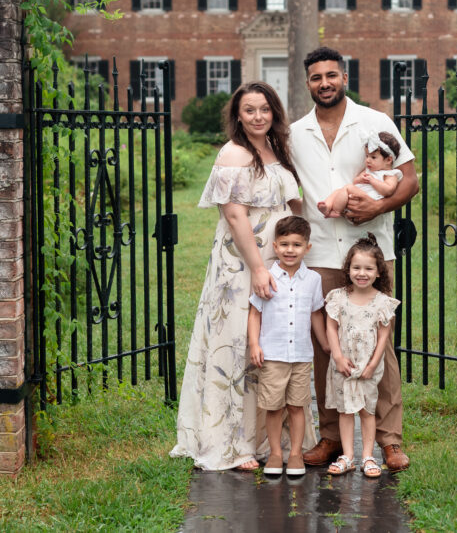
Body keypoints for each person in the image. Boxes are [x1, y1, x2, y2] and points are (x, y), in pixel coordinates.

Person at [171, 82, 316, 470]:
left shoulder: (277, 149)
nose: (258, 117)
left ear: (274, 112)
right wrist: (255, 267)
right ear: (237, 114)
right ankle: (236, 444)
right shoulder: (233, 153)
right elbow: (234, 215)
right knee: (238, 342)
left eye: (265, 109)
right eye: (249, 110)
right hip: (242, 261)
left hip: (280, 256)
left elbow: (291, 199)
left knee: (274, 342)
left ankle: (274, 438)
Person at [289, 46, 419, 473]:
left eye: (331, 75)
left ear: (344, 76)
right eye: (315, 77)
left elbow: (410, 180)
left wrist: (378, 208)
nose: (324, 83)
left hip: (371, 252)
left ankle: (390, 440)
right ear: (307, 83)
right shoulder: (295, 134)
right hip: (321, 254)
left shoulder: (376, 123)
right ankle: (331, 438)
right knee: (327, 346)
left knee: (381, 344)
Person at [247, 215, 328, 477]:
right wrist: (254, 345)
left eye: (296, 244)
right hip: (272, 354)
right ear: (274, 246)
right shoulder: (267, 277)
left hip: (302, 355)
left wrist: (326, 344)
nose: (290, 250)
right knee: (273, 406)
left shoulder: (313, 280)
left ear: (307, 247)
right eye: (284, 244)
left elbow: (316, 313)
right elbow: (255, 313)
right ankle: (275, 453)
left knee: (296, 406)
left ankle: (295, 454)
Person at [324, 234, 399, 478]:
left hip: (368, 367)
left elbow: (384, 337)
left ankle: (368, 455)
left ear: (379, 272)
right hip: (343, 365)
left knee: (367, 410)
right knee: (345, 411)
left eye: (368, 268)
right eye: (356, 267)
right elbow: (331, 327)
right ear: (348, 269)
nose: (362, 273)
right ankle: (348, 456)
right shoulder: (338, 298)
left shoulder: (382, 302)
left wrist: (373, 364)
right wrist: (337, 357)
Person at [318, 131, 402, 219]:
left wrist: (373, 181)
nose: (368, 160)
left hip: (369, 200)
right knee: (338, 191)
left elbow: (388, 190)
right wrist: (360, 179)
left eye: (373, 157)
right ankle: (327, 206)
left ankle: (336, 211)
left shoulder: (390, 174)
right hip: (356, 197)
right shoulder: (368, 170)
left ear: (388, 160)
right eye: (367, 156)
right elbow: (355, 182)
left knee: (347, 187)